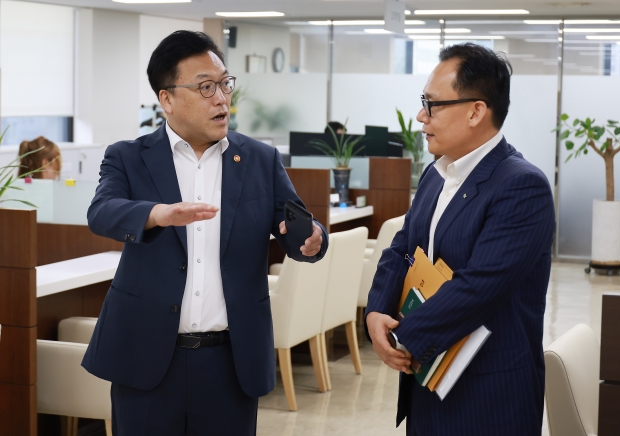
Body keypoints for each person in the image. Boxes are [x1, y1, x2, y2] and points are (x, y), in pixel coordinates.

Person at [81, 30, 328, 435]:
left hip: (230, 362)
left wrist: (312, 238)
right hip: (145, 359)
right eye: (205, 87)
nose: (221, 98)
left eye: (224, 84)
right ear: (167, 99)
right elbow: (102, 213)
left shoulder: (259, 160)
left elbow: (296, 227)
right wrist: (159, 214)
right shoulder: (128, 157)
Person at [365, 43, 555, 435]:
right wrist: (375, 313)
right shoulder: (438, 174)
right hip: (427, 378)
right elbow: (401, 249)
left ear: (475, 111)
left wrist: (402, 336)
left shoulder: (521, 186)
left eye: (432, 104)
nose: (421, 116)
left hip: (487, 393)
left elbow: (479, 287)